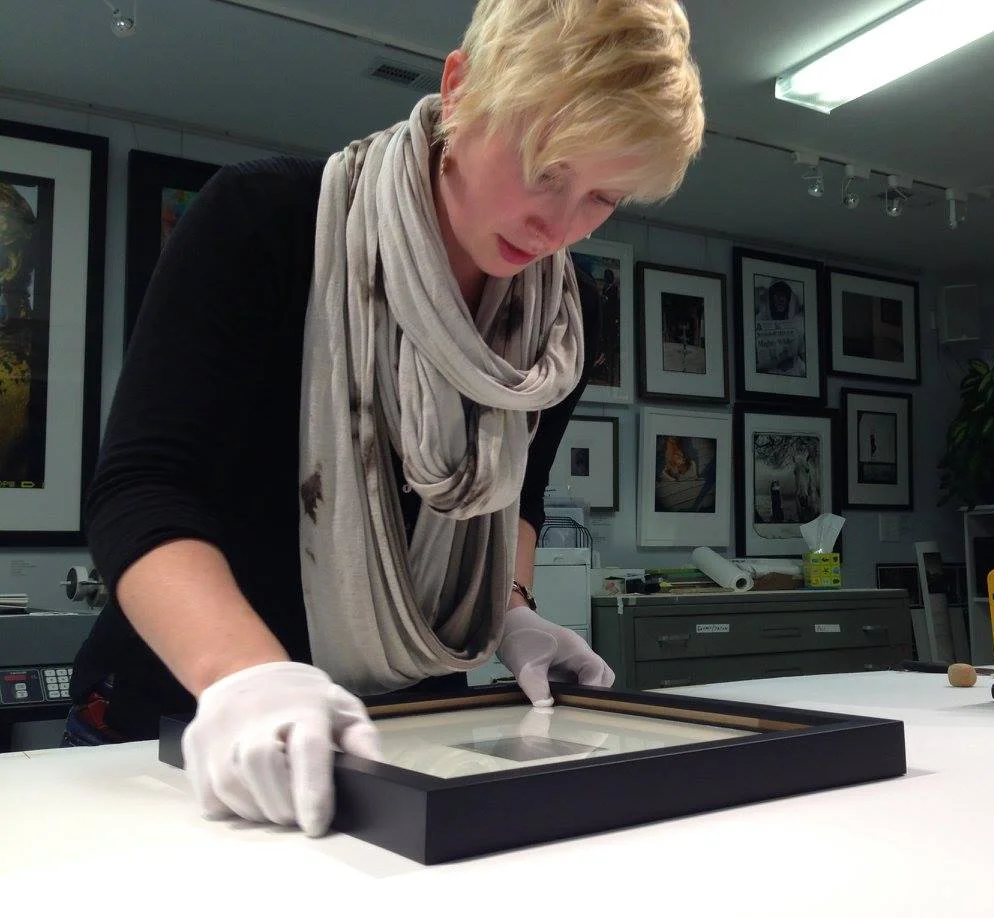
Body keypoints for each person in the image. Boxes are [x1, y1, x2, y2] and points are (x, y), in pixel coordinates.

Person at [66, 0, 704, 838]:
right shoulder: (266, 221)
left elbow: (516, 496)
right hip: (188, 724)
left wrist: (511, 611)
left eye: (603, 197)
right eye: (545, 168)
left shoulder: (563, 315)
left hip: (407, 730)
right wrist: (246, 676)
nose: (558, 227)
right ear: (460, 88)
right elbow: (140, 490)